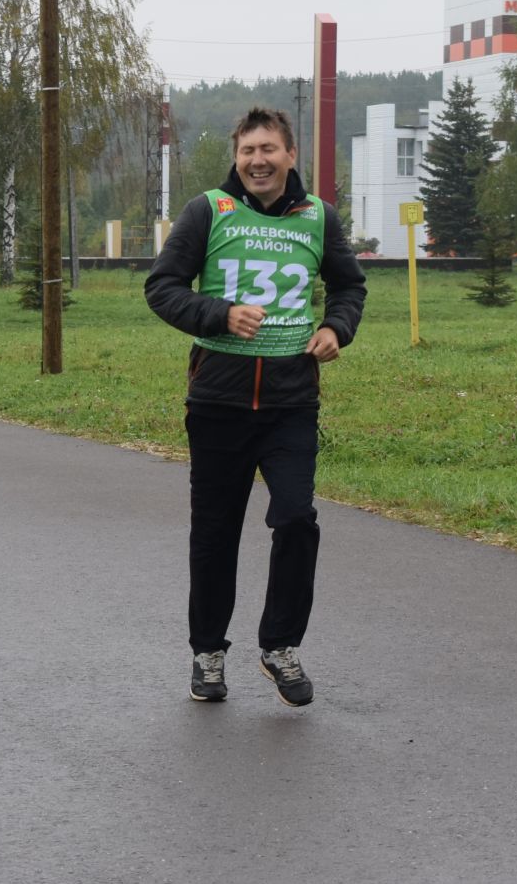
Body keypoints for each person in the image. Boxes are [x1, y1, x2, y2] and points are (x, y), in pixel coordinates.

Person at [144, 107, 366, 707]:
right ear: (236, 158)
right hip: (218, 400)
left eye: (268, 150)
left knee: (296, 519)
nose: (257, 161)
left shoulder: (318, 218)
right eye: (247, 152)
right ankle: (208, 654)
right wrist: (220, 313)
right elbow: (162, 287)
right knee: (215, 533)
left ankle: (279, 646)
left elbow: (349, 286)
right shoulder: (208, 212)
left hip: (292, 402)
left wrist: (336, 330)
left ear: (291, 155)